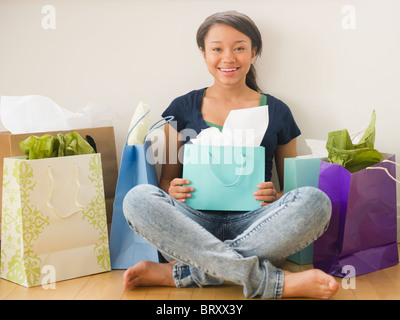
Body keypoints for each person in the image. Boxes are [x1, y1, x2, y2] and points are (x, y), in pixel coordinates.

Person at [122, 11, 339, 299]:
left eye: (239, 47)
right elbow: (166, 184)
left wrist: (274, 196)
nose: (229, 57)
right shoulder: (181, 108)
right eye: (217, 49)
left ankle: (184, 273)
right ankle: (271, 282)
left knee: (316, 201)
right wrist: (173, 191)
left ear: (254, 52)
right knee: (137, 199)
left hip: (257, 224)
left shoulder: (278, 111)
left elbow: (292, 189)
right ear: (203, 53)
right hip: (194, 224)